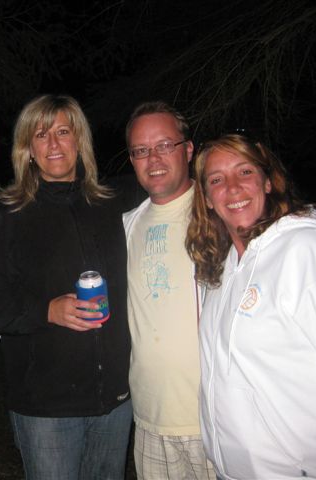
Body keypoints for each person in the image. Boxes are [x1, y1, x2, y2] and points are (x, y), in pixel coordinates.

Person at [0, 94, 142, 480]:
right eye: (41, 135)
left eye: (63, 132)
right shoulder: (8, 218)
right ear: (28, 150)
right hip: (46, 408)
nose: (53, 144)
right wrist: (47, 311)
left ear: (79, 140)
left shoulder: (113, 205)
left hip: (114, 401)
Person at [186, 133, 316, 479]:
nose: (233, 188)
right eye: (216, 180)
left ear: (267, 182)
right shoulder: (226, 266)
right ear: (207, 198)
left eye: (245, 172)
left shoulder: (307, 251)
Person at [122, 101, 215, 479]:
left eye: (164, 145)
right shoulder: (127, 225)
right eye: (141, 150)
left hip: (214, 419)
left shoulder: (219, 212)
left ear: (188, 149)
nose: (153, 158)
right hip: (149, 418)